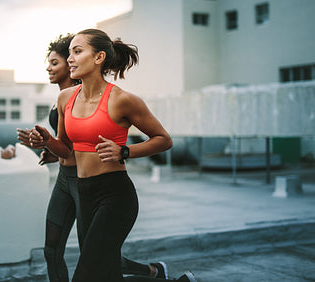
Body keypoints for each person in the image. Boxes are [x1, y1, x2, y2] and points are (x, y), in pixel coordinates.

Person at [29, 29, 196, 281]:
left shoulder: (122, 100)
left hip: (115, 195)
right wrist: (48, 141)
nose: (71, 59)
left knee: (86, 275)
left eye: (77, 52)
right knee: (106, 274)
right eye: (70, 53)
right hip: (83, 194)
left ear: (99, 58)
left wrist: (125, 151)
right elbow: (65, 148)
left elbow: (164, 140)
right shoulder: (65, 98)